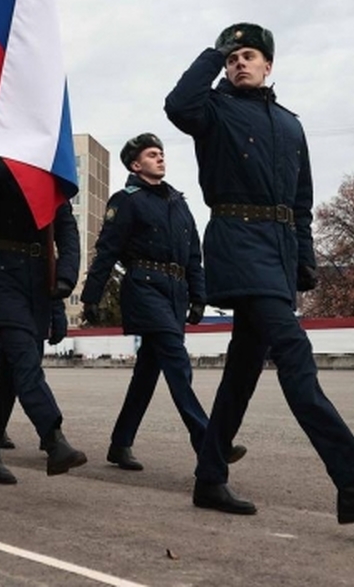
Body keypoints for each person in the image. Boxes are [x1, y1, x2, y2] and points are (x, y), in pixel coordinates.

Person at [164, 22, 354, 523]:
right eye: (232, 57)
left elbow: (301, 201)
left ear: (269, 65)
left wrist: (305, 259)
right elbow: (177, 106)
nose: (239, 62)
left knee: (242, 371)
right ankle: (351, 481)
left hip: (278, 253)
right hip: (239, 243)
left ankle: (209, 478)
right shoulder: (213, 110)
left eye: (248, 55)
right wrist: (211, 56)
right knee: (295, 354)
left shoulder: (289, 125)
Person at [81, 134, 245, 471]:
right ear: (135, 165)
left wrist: (199, 297)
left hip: (175, 293)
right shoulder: (126, 201)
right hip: (144, 288)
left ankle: (120, 444)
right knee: (176, 361)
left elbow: (193, 255)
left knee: (147, 373)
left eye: (161, 153)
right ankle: (209, 441)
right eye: (152, 155)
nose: (160, 158)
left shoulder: (178, 202)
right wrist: (91, 296)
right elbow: (107, 250)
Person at [0, 156, 88, 486]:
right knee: (25, 363)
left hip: (37, 285)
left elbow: (67, 233)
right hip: (1, 277)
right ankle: (54, 440)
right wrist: (23, 163)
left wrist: (65, 280)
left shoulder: (50, 182)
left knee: (10, 376)